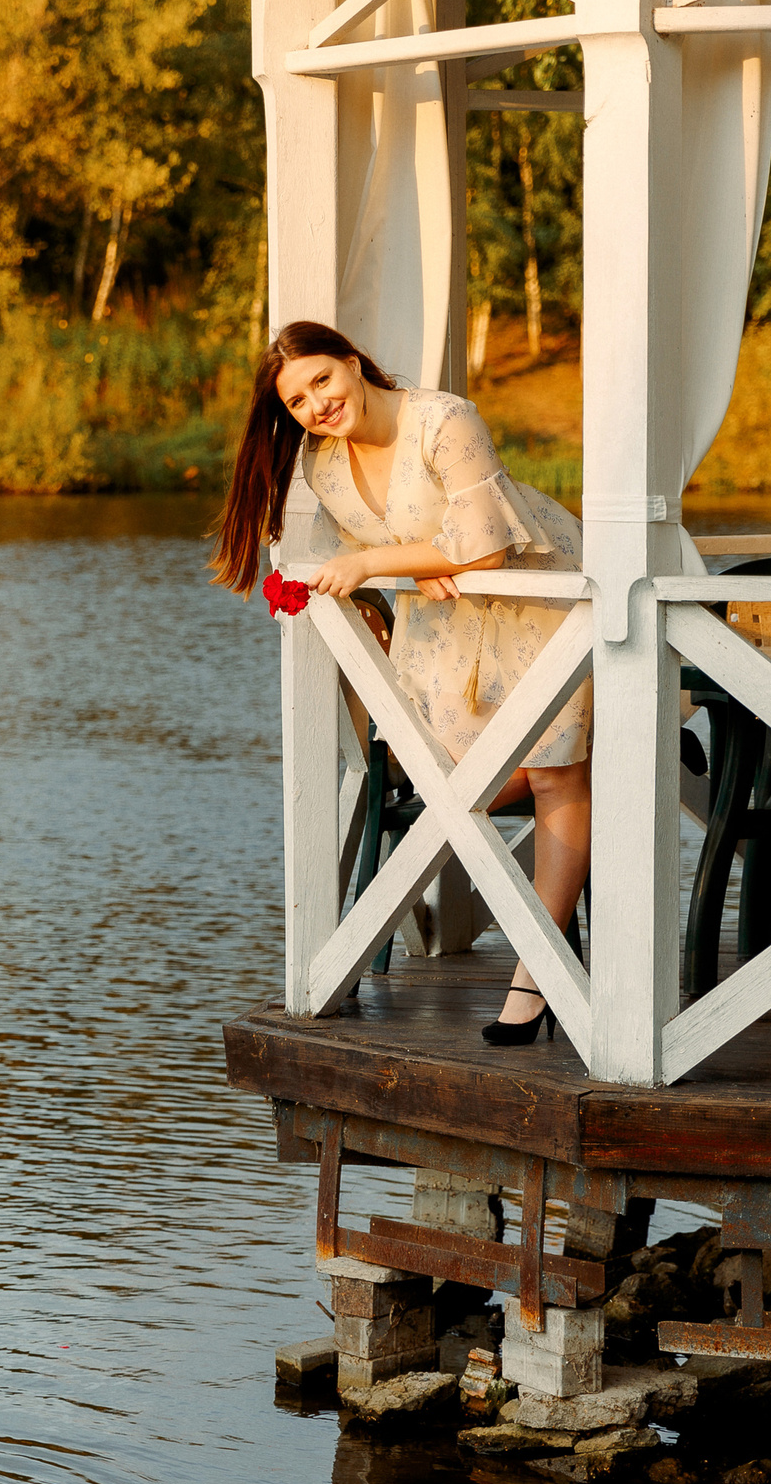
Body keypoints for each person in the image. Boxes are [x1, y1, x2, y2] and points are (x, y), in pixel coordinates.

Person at [210, 320, 590, 1046]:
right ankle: (582, 824)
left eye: (321, 379)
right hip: (448, 628)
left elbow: (487, 547)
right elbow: (384, 546)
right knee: (458, 786)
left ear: (354, 363)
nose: (315, 405)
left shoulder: (444, 420)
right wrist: (396, 571)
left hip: (540, 603)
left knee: (552, 774)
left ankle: (534, 980)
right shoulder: (323, 467)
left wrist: (386, 564)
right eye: (296, 401)